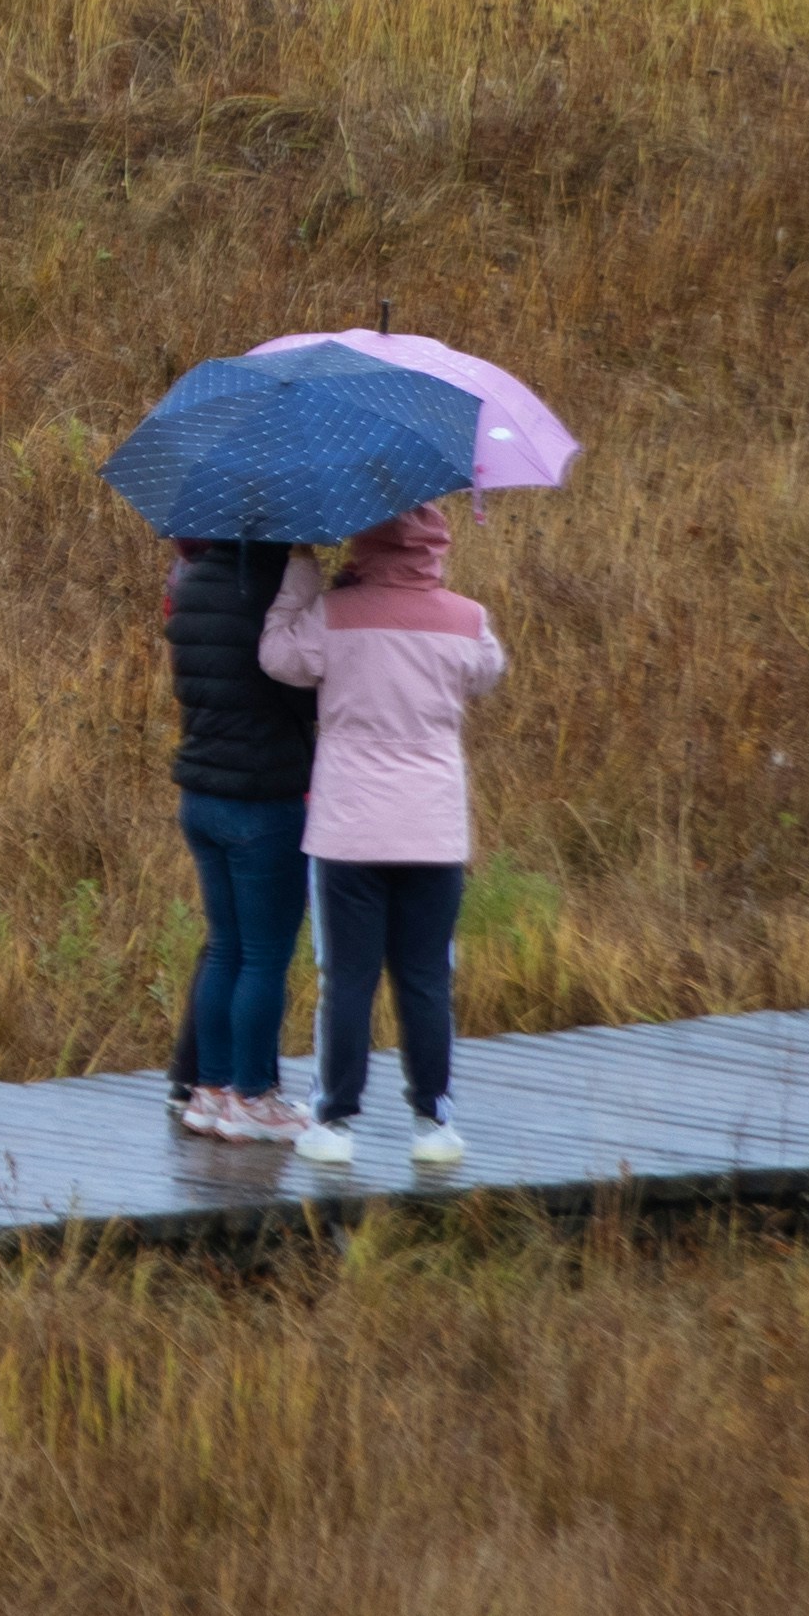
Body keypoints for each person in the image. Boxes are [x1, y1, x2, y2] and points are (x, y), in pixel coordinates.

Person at [262, 498, 505, 1168]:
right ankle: (433, 1122)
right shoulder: (468, 620)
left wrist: (301, 580)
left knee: (349, 979)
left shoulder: (334, 617)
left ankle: (335, 1122)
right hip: (433, 830)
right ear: (436, 548)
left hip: (349, 829)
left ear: (365, 541)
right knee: (426, 978)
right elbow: (488, 673)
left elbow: (279, 658)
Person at [159, 534, 317, 1141]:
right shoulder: (276, 584)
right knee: (263, 958)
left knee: (225, 948)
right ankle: (254, 1096)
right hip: (264, 795)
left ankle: (210, 1091)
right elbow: (295, 691)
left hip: (201, 792)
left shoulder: (192, 582)